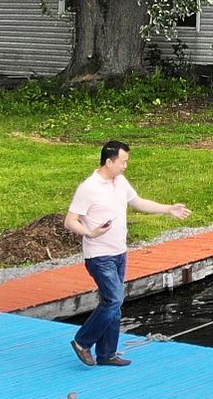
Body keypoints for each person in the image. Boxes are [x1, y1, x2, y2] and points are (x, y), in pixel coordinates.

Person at [64, 140, 192, 366]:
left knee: (113, 302)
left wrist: (168, 209)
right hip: (99, 255)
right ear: (109, 162)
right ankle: (82, 341)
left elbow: (138, 202)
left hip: (119, 253)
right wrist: (90, 232)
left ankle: (107, 354)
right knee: (114, 300)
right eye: (122, 162)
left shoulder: (120, 182)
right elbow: (70, 221)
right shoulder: (88, 188)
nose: (125, 166)